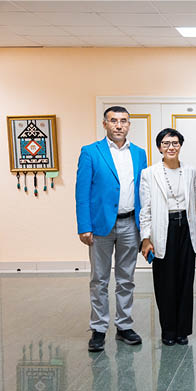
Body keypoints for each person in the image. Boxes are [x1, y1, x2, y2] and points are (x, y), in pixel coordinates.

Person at [76, 106, 147, 352]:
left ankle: (124, 326)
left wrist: (145, 228)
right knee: (99, 279)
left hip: (130, 224)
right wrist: (84, 226)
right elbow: (82, 193)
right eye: (113, 121)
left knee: (126, 279)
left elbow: (143, 193)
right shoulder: (90, 152)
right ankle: (98, 328)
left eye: (124, 121)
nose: (119, 125)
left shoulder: (139, 154)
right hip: (100, 227)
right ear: (105, 124)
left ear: (129, 125)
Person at [140, 128, 196, 346]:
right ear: (159, 147)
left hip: (186, 229)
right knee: (165, 282)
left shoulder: (190, 171)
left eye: (175, 143)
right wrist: (146, 238)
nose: (171, 147)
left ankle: (182, 331)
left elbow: (195, 203)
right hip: (163, 229)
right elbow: (146, 209)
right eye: (166, 143)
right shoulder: (149, 173)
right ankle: (168, 330)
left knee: (186, 281)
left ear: (180, 146)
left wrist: (194, 229)